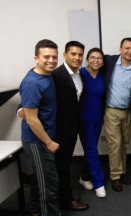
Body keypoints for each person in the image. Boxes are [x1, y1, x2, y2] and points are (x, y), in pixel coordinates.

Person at [19, 39, 60, 216]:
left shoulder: (45, 75)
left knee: (40, 180)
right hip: (37, 141)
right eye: (46, 57)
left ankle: (36, 211)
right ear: (36, 58)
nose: (51, 60)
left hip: (43, 137)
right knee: (48, 183)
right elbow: (32, 120)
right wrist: (48, 142)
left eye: (54, 57)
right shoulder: (33, 82)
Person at [51, 41, 89, 210]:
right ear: (65, 55)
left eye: (80, 54)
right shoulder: (56, 75)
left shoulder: (79, 75)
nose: (77, 57)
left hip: (72, 127)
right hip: (59, 129)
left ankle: (63, 194)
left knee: (64, 163)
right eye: (73, 54)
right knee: (62, 166)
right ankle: (66, 201)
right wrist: (22, 109)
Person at [101, 37, 131, 192]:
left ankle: (123, 171)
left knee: (124, 144)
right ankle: (115, 176)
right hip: (112, 110)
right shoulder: (109, 62)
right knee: (115, 144)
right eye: (126, 48)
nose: (129, 51)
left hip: (129, 112)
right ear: (120, 49)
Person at [78, 48, 106, 198]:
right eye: (93, 57)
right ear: (87, 59)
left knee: (91, 149)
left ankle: (84, 176)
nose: (96, 60)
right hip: (84, 119)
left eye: (99, 58)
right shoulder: (80, 74)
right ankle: (98, 183)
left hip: (97, 118)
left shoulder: (102, 75)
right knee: (93, 151)